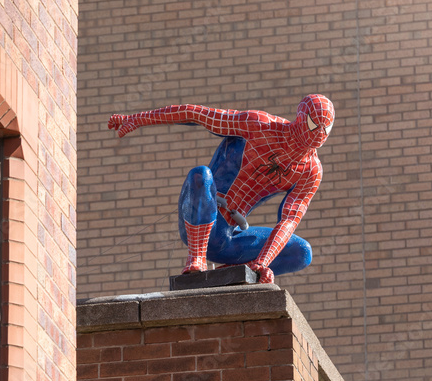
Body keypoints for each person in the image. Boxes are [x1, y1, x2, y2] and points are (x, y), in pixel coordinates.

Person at [108, 94, 334, 285]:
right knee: (201, 175)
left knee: (302, 251)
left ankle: (236, 273)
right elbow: (196, 114)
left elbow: (289, 220)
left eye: (326, 129)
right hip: (200, 215)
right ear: (301, 117)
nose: (319, 135)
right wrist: (136, 119)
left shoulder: (311, 171)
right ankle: (196, 259)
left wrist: (263, 261)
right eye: (314, 125)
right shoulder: (260, 124)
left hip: (228, 238)